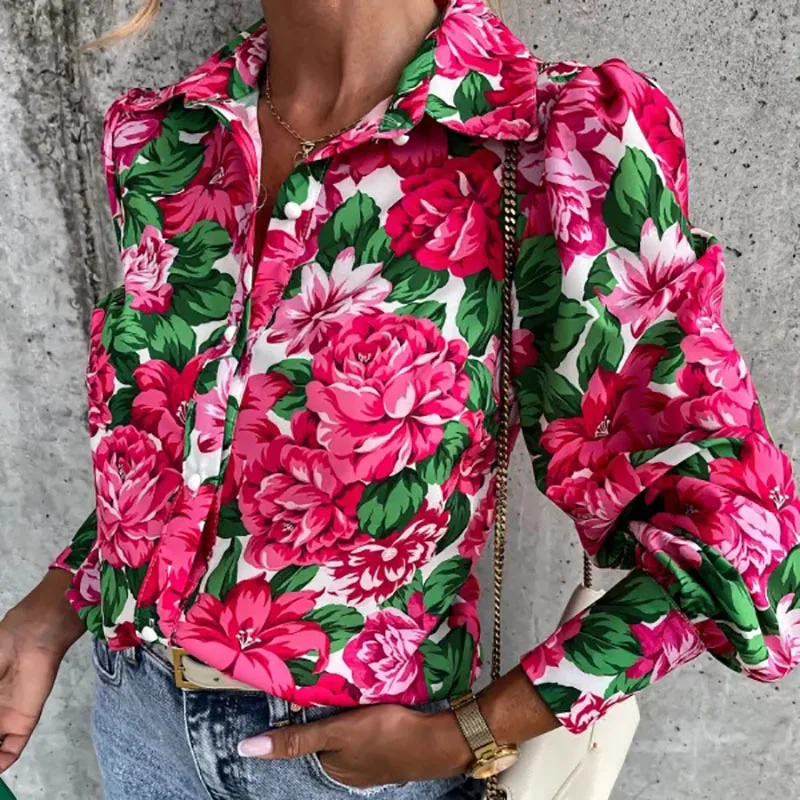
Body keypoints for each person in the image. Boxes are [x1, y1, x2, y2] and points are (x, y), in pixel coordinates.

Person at [1, 0, 798, 797]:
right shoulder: (174, 138)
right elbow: (185, 461)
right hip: (136, 710)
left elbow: (741, 538)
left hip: (354, 764)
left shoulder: (548, 140)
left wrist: (476, 730)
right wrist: (53, 607)